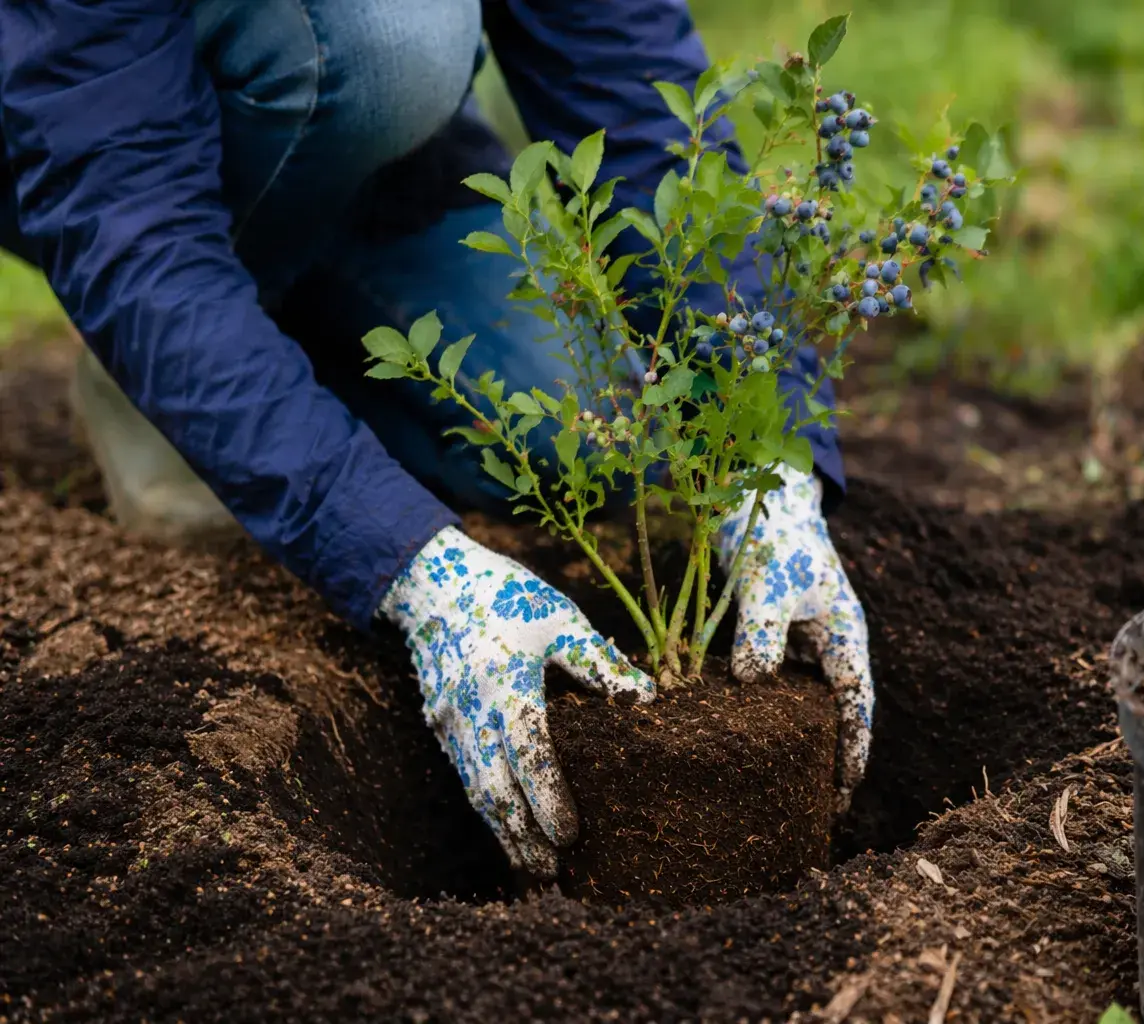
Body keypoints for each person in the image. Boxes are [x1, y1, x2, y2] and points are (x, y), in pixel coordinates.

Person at [0, 0, 874, 878]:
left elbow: (626, 68)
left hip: (366, 163)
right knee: (396, 36)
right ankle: (160, 356)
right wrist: (414, 567)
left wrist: (770, 446)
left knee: (590, 444)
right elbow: (122, 207)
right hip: (96, 131)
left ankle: (237, 363)